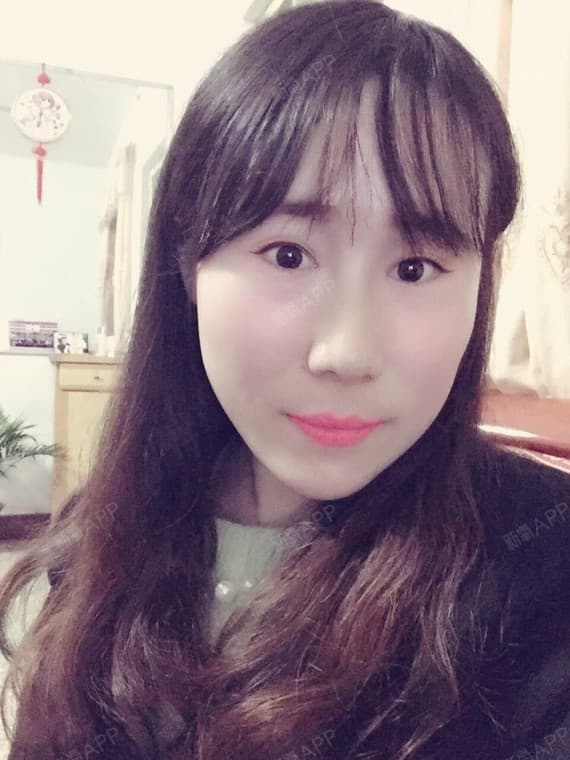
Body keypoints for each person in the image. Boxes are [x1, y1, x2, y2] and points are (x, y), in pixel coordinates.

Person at [1, 1, 569, 758]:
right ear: (188, 265)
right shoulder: (97, 537)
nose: (347, 352)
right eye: (289, 255)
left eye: (415, 267)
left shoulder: (544, 566)